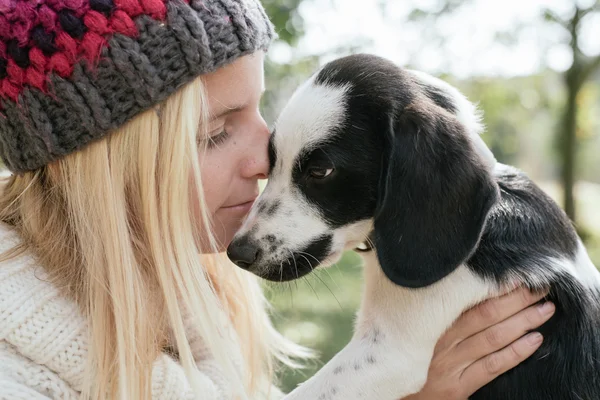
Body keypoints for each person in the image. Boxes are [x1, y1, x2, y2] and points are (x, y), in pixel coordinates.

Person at [0, 0, 555, 399]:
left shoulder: (197, 302)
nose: (266, 161)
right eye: (215, 132)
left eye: (258, 112)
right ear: (102, 169)